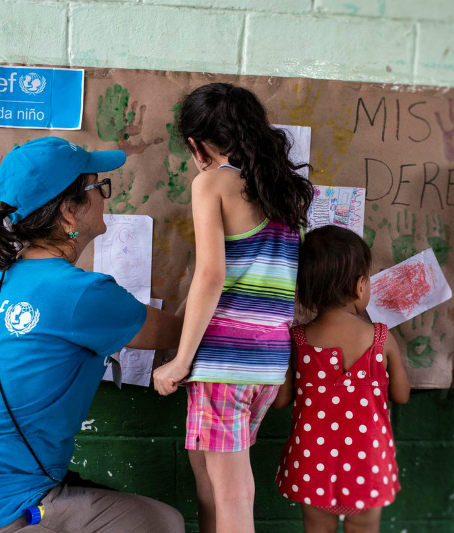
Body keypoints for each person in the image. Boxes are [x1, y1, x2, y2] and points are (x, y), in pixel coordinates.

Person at [0, 137, 185, 533]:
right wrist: (218, 266)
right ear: (69, 210)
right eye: (98, 188)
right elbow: (179, 332)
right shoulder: (81, 294)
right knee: (163, 523)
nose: (104, 198)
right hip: (0, 508)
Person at [152, 83, 314, 533]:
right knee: (207, 474)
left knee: (232, 494)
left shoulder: (212, 183)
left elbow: (210, 275)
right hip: (267, 362)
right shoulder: (282, 189)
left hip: (224, 359)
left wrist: (180, 360)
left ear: (196, 143)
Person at [272, 225, 410, 533]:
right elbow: (401, 395)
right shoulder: (381, 338)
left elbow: (281, 400)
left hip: (313, 465)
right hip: (368, 465)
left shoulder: (297, 340)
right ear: (361, 286)